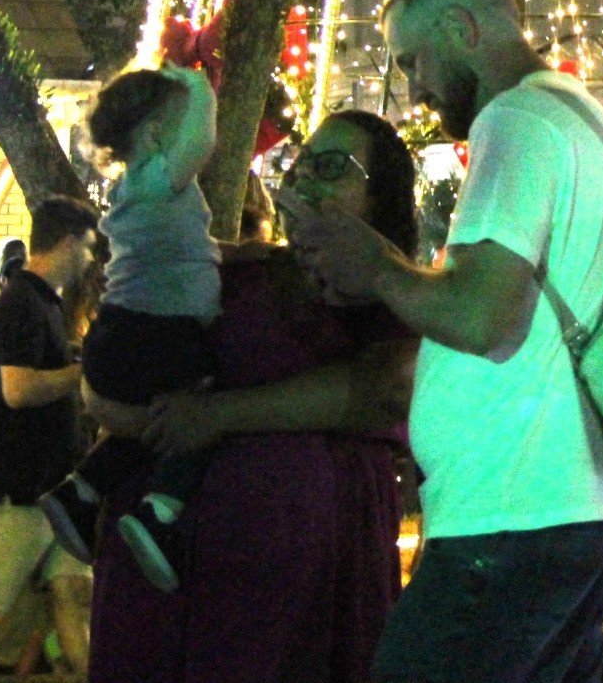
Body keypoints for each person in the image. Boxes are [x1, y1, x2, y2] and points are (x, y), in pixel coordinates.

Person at [298, 0, 603, 683]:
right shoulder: (575, 117)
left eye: (414, 60)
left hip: (511, 512)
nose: (414, 87)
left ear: (462, 26)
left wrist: (379, 265)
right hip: (568, 503)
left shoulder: (514, 123)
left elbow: (482, 315)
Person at [86, 109, 422, 683]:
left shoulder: (392, 291)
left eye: (332, 166)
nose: (304, 178)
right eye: (299, 164)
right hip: (168, 572)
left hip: (302, 576)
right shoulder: (238, 270)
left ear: (381, 198)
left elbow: (381, 392)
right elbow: (115, 387)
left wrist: (217, 416)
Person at [39, 65, 222, 591]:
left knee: (148, 424)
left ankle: (81, 492)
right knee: (197, 409)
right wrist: (199, 87)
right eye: (177, 122)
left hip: (120, 332)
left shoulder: (129, 190)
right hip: (160, 331)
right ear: (156, 131)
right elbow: (204, 140)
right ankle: (161, 511)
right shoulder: (158, 179)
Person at [0, 195, 101, 682]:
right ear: (69, 242)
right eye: (88, 247)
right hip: (16, 487)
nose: (91, 260)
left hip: (49, 487)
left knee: (75, 595)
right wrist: (79, 372)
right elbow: (18, 388)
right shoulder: (23, 303)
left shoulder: (41, 303)